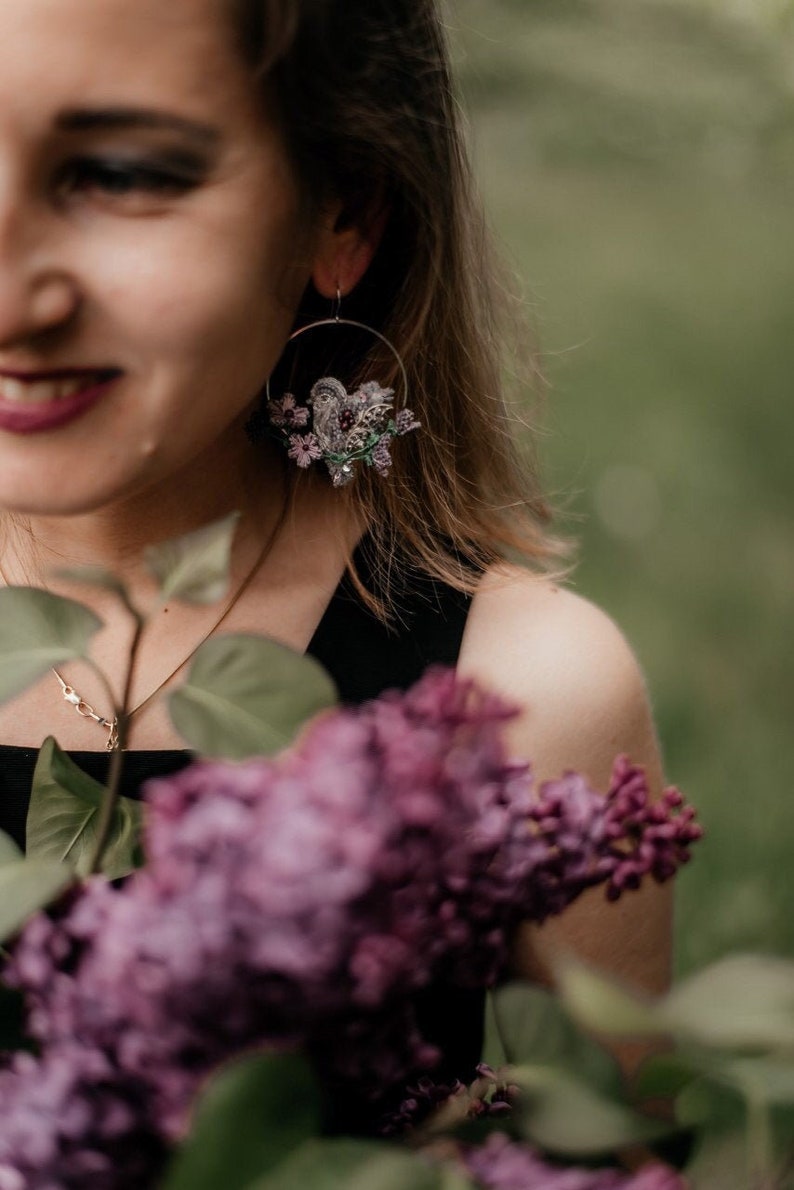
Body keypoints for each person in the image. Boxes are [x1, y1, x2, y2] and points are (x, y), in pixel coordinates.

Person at [0, 0, 669, 1116]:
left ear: (342, 210)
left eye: (116, 173)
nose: (12, 299)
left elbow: (631, 1153)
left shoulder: (516, 701)